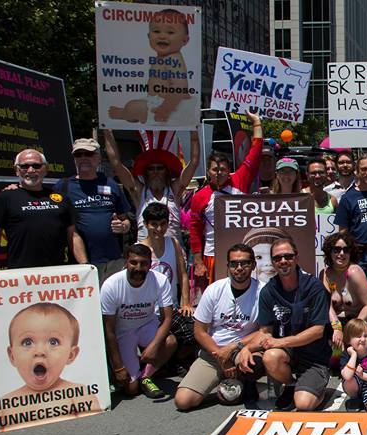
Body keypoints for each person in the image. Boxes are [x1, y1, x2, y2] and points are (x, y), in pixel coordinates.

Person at [236, 237, 332, 411]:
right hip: (287, 354)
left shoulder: (314, 287)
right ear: (273, 262)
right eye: (277, 258)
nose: (283, 261)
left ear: (296, 257)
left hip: (313, 357)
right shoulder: (268, 291)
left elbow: (318, 331)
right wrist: (246, 348)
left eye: (287, 256)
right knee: (270, 356)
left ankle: (318, 387)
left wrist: (280, 342)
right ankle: (291, 384)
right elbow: (265, 331)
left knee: (303, 404)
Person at [174, 244, 265, 411]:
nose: (239, 268)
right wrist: (220, 357)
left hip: (243, 350)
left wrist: (233, 348)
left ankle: (243, 381)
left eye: (245, 263)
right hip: (214, 352)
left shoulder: (263, 291)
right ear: (228, 266)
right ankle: (228, 382)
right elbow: (199, 331)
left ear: (253, 265)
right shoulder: (215, 289)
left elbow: (264, 332)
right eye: (234, 263)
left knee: (256, 365)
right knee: (183, 401)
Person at [0, 303, 102, 433]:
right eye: (27, 342)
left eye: (53, 342)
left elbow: (92, 430)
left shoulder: (79, 395)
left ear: (71, 354)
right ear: (12, 355)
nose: (40, 351)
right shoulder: (4, 406)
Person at [0, 149, 87, 271]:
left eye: (36, 166)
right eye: (24, 166)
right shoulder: (5, 198)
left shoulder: (61, 198)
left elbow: (73, 235)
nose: (31, 170)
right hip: (19, 275)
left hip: (58, 274)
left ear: (45, 169)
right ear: (16, 170)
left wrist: (85, 265)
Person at [188, 111, 264, 285]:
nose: (219, 173)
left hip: (243, 253)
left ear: (228, 169)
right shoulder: (200, 197)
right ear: (208, 172)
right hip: (213, 255)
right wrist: (198, 262)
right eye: (215, 169)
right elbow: (194, 232)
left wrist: (257, 123)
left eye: (223, 169)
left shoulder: (239, 180)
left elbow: (255, 151)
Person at [101, 244, 177, 399]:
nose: (138, 267)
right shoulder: (111, 285)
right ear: (126, 263)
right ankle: (129, 369)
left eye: (144, 263)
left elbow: (168, 317)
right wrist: (118, 367)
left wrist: (154, 346)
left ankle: (145, 376)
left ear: (150, 264)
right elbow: (109, 330)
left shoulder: (160, 280)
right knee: (131, 389)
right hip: (123, 331)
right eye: (133, 262)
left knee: (170, 342)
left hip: (147, 324)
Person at [103, 128, 199, 241]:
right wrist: (107, 132)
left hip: (173, 251)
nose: (155, 172)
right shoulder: (139, 191)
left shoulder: (174, 189)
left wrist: (194, 132)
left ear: (166, 171)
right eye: (151, 169)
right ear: (145, 172)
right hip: (146, 253)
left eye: (160, 168)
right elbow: (116, 164)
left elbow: (193, 162)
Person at [60, 138, 132, 283]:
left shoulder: (110, 183)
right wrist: (16, 188)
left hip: (112, 261)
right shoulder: (63, 186)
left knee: (111, 303)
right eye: (78, 155)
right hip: (80, 263)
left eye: (88, 154)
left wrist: (123, 226)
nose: (83, 158)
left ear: (98, 157)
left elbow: (126, 220)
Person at [107, 9, 194, 124]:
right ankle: (133, 115)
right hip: (160, 102)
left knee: (133, 107)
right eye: (156, 31)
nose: (162, 36)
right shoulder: (161, 57)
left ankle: (125, 113)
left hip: (172, 105)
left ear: (185, 40)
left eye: (170, 32)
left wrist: (164, 110)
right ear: (149, 36)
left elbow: (180, 87)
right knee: (136, 106)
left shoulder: (173, 58)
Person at [139, 202, 192, 315]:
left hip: (172, 308)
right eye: (154, 224)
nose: (159, 228)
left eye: (163, 224)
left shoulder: (173, 243)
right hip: (149, 313)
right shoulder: (139, 249)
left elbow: (182, 274)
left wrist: (186, 303)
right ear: (145, 224)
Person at [319, 232, 367, 330]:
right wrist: (337, 328)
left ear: (351, 253)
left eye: (346, 250)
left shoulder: (354, 271)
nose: (341, 254)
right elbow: (328, 307)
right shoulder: (325, 273)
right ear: (330, 252)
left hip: (357, 321)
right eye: (336, 250)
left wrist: (353, 328)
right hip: (335, 322)